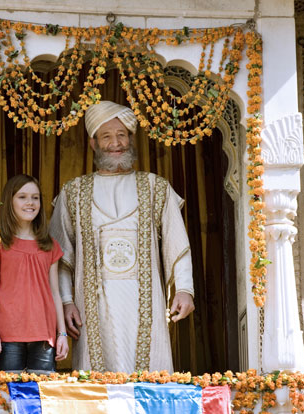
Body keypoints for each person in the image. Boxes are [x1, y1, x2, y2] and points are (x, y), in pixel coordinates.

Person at [49, 100, 195, 373]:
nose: (116, 143)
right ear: (93, 143)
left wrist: (185, 289)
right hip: (90, 309)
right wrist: (67, 302)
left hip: (145, 305)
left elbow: (178, 243)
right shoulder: (73, 193)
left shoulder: (156, 187)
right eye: (107, 136)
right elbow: (60, 256)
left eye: (122, 135)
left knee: (150, 374)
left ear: (130, 138)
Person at [0, 174, 69, 373]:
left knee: (40, 395)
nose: (30, 202)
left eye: (35, 197)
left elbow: (55, 293)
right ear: (10, 202)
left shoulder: (49, 245)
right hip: (8, 334)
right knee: (8, 395)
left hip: (43, 335)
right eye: (22, 197)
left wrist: (62, 333)